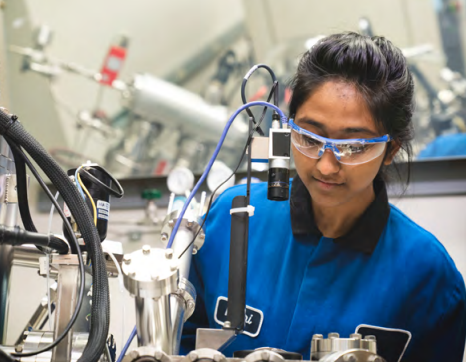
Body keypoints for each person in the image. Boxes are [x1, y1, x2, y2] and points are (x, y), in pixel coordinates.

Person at [181, 32, 465, 361]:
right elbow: (181, 338)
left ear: (391, 150)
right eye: (311, 137)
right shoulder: (230, 219)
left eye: (353, 146)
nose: (327, 166)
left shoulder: (427, 276)